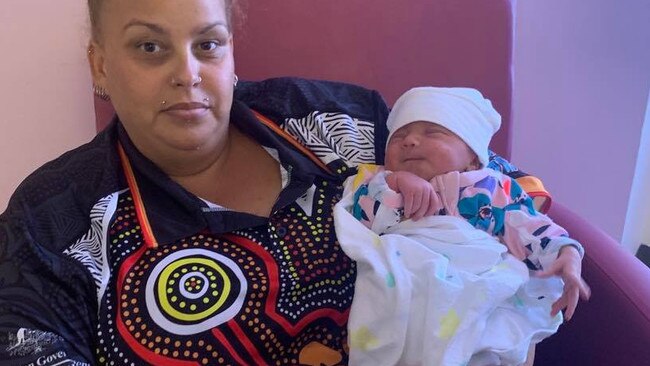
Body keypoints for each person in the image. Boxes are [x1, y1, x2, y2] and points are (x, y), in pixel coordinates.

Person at [0, 1, 555, 365]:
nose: (187, 73)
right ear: (99, 66)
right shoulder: (55, 219)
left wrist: (554, 245)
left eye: (208, 44)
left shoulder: (342, 121)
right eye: (150, 47)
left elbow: (486, 177)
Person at [334, 87, 591, 366]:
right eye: (398, 137)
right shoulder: (377, 181)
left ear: (472, 158)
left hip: (478, 282)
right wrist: (395, 184)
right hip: (406, 280)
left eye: (432, 132)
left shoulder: (491, 186)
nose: (409, 141)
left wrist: (565, 252)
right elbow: (361, 221)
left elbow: (527, 226)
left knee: (507, 330)